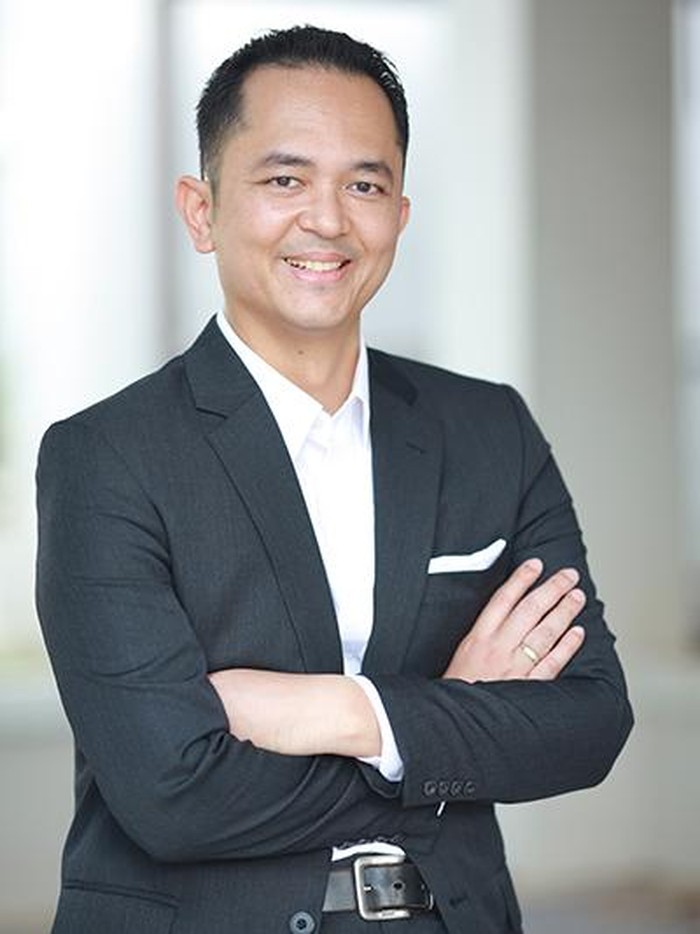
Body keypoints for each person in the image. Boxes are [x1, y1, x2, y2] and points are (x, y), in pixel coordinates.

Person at [36, 25, 633, 934]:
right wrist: (448, 729)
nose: (327, 220)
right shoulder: (106, 457)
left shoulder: (489, 430)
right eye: (285, 181)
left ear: (400, 215)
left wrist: (346, 713)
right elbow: (172, 794)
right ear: (201, 211)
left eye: (364, 184)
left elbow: (589, 721)